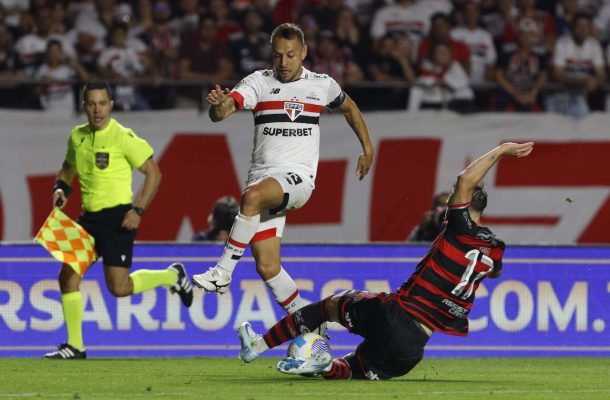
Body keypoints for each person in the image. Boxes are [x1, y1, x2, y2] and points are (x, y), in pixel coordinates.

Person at [237, 142, 534, 380]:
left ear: (461, 207)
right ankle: (324, 366)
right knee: (354, 368)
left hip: (395, 315)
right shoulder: (494, 247)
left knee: (328, 306)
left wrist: (502, 150)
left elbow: (465, 179)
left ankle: (257, 346)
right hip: (412, 350)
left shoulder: (460, 227)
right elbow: (492, 272)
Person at [192, 23, 374, 322]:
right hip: (263, 179)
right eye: (278, 56)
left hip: (298, 178)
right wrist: (218, 106)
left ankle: (222, 273)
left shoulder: (321, 84)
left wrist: (368, 149)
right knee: (267, 266)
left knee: (251, 197)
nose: (284, 62)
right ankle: (310, 322)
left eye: (290, 55)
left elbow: (350, 109)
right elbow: (222, 113)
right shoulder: (258, 82)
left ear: (304, 52)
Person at [44, 82, 193, 360]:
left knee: (119, 288)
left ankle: (173, 276)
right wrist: (60, 188)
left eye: (103, 103)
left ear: (111, 104)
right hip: (88, 220)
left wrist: (137, 210)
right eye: (92, 103)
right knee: (67, 277)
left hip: (117, 220)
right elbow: (67, 168)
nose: (97, 109)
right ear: (84, 106)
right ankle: (75, 346)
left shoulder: (123, 137)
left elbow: (154, 174)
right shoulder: (77, 137)